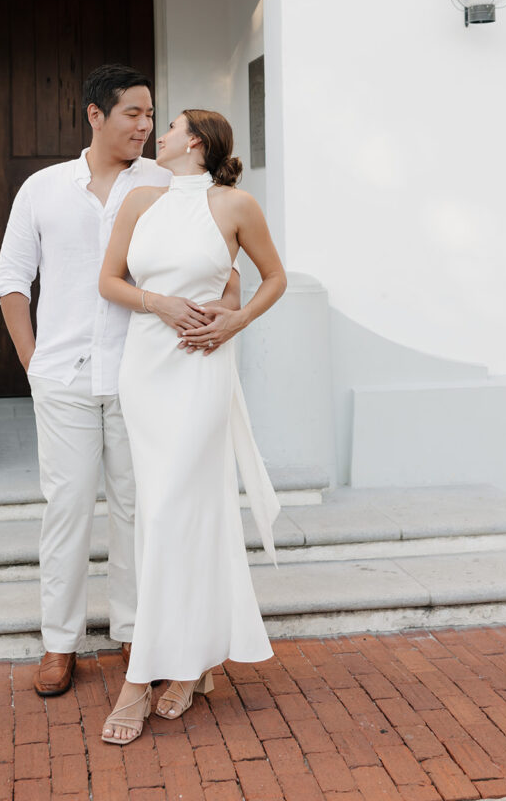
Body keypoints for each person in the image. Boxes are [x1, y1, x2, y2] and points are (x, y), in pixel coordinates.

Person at [0, 67, 240, 697]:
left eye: (153, 115)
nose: (146, 126)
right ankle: (59, 644)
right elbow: (12, 281)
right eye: (133, 113)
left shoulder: (167, 184)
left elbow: (221, 269)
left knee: (139, 508)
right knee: (67, 509)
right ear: (95, 115)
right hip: (64, 377)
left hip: (147, 377)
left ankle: (136, 631)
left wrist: (224, 315)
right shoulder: (43, 189)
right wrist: (33, 363)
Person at [97, 108, 287, 743]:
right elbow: (110, 281)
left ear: (196, 143)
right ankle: (194, 661)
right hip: (146, 370)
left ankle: (140, 679)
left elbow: (272, 278)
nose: (160, 133)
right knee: (162, 517)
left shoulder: (236, 205)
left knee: (179, 509)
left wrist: (235, 320)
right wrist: (161, 303)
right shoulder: (139, 200)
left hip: (202, 369)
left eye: (170, 124)